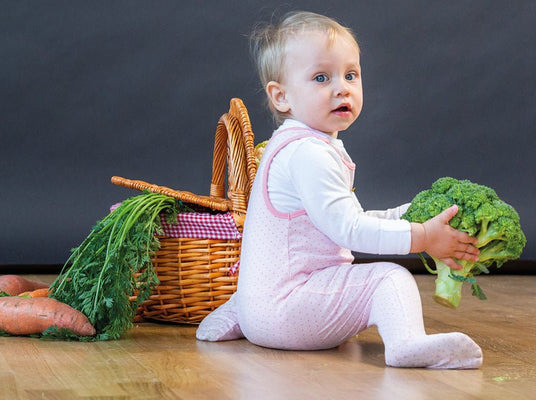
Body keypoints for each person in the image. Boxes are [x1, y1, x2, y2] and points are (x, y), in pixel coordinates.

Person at [195, 11, 484, 369]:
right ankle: (405, 344)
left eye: (351, 75)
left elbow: (347, 219)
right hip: (290, 315)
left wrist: (410, 214)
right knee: (389, 279)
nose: (342, 88)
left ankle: (240, 312)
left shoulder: (291, 145)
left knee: (276, 264)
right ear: (281, 97)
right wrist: (422, 236)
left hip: (262, 312)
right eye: (321, 77)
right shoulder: (309, 154)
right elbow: (349, 229)